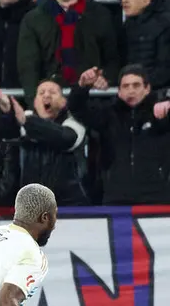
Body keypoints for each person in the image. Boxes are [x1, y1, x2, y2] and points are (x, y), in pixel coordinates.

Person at [16, 0, 120, 100]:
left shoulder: (100, 15)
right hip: (48, 98)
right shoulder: (33, 19)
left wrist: (105, 77)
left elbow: (113, 58)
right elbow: (28, 67)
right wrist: (35, 103)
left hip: (89, 98)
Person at [72, 65, 170, 206]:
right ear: (119, 91)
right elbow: (77, 109)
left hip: (157, 197)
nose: (131, 90)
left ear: (147, 88)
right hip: (116, 197)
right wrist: (82, 86)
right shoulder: (107, 115)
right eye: (126, 86)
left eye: (136, 85)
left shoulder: (161, 113)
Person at [0, 79, 88, 206]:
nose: (46, 95)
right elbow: (6, 133)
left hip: (70, 204)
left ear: (64, 101)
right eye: (41, 93)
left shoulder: (75, 122)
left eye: (52, 92)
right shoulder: (27, 119)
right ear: (35, 102)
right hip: (33, 204)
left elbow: (65, 138)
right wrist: (5, 111)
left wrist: (27, 122)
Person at [118, 0, 170, 90]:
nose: (124, 0)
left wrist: (139, 85)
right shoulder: (128, 26)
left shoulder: (165, 24)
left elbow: (165, 69)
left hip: (158, 93)